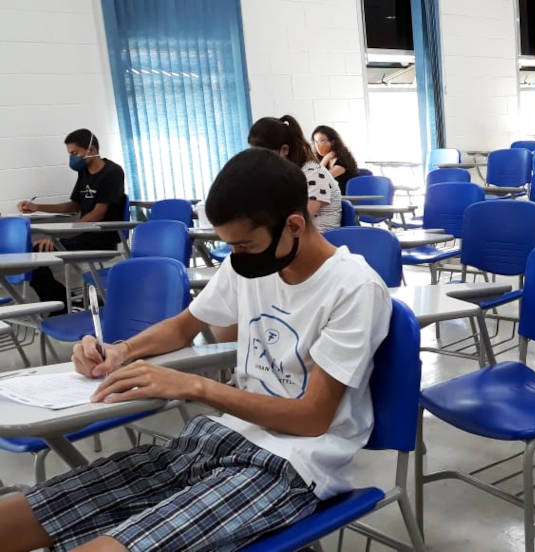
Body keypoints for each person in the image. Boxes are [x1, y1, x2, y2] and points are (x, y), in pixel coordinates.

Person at [0, 148, 392, 552]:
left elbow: (312, 419)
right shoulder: (252, 261)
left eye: (244, 245)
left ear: (294, 225)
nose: (234, 257)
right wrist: (121, 350)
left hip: (290, 466)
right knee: (27, 512)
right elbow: (184, 326)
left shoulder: (354, 288)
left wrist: (195, 387)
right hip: (210, 439)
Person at [17, 129, 125, 312]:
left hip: (101, 235)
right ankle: (63, 304)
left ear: (90, 149)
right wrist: (38, 207)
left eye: (75, 153)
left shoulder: (112, 172)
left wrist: (58, 237)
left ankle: (62, 306)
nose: (72, 158)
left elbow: (98, 214)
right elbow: (73, 205)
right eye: (70, 154)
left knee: (36, 252)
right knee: (31, 253)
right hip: (84, 234)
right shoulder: (84, 172)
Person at [250, 116, 342, 232]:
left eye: (264, 154)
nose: (258, 160)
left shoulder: (313, 173)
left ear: (284, 150)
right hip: (294, 239)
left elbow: (298, 221)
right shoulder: (284, 174)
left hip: (319, 240)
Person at [311, 125, 359, 195]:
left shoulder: (342, 161)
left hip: (346, 200)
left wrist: (326, 158)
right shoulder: (322, 160)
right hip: (331, 199)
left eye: (322, 141)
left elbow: (319, 179)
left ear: (332, 142)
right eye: (316, 142)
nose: (318, 145)